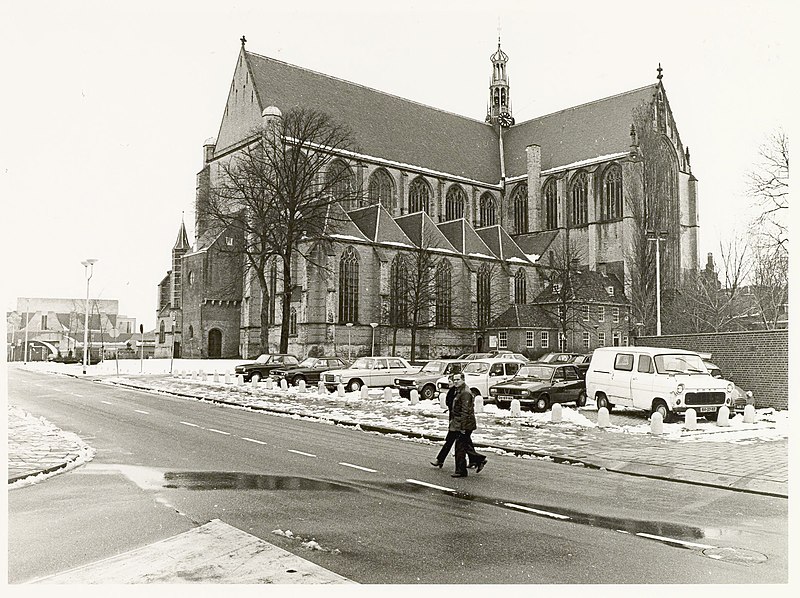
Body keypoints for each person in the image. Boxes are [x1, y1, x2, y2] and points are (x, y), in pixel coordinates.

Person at [430, 375, 479, 469]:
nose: (451, 383)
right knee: (464, 442)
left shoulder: (461, 392)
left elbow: (464, 410)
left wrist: (463, 426)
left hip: (459, 423)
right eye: (452, 381)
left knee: (458, 443)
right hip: (456, 421)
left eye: (453, 380)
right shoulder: (455, 391)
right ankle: (475, 460)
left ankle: (441, 460)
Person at [449, 373, 487, 477]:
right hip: (460, 423)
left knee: (460, 447)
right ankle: (479, 460)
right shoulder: (459, 390)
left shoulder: (465, 392)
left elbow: (465, 411)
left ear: (463, 380)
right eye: (454, 379)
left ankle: (461, 471)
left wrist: (463, 427)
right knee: (465, 445)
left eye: (458, 379)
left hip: (464, 424)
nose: (455, 381)